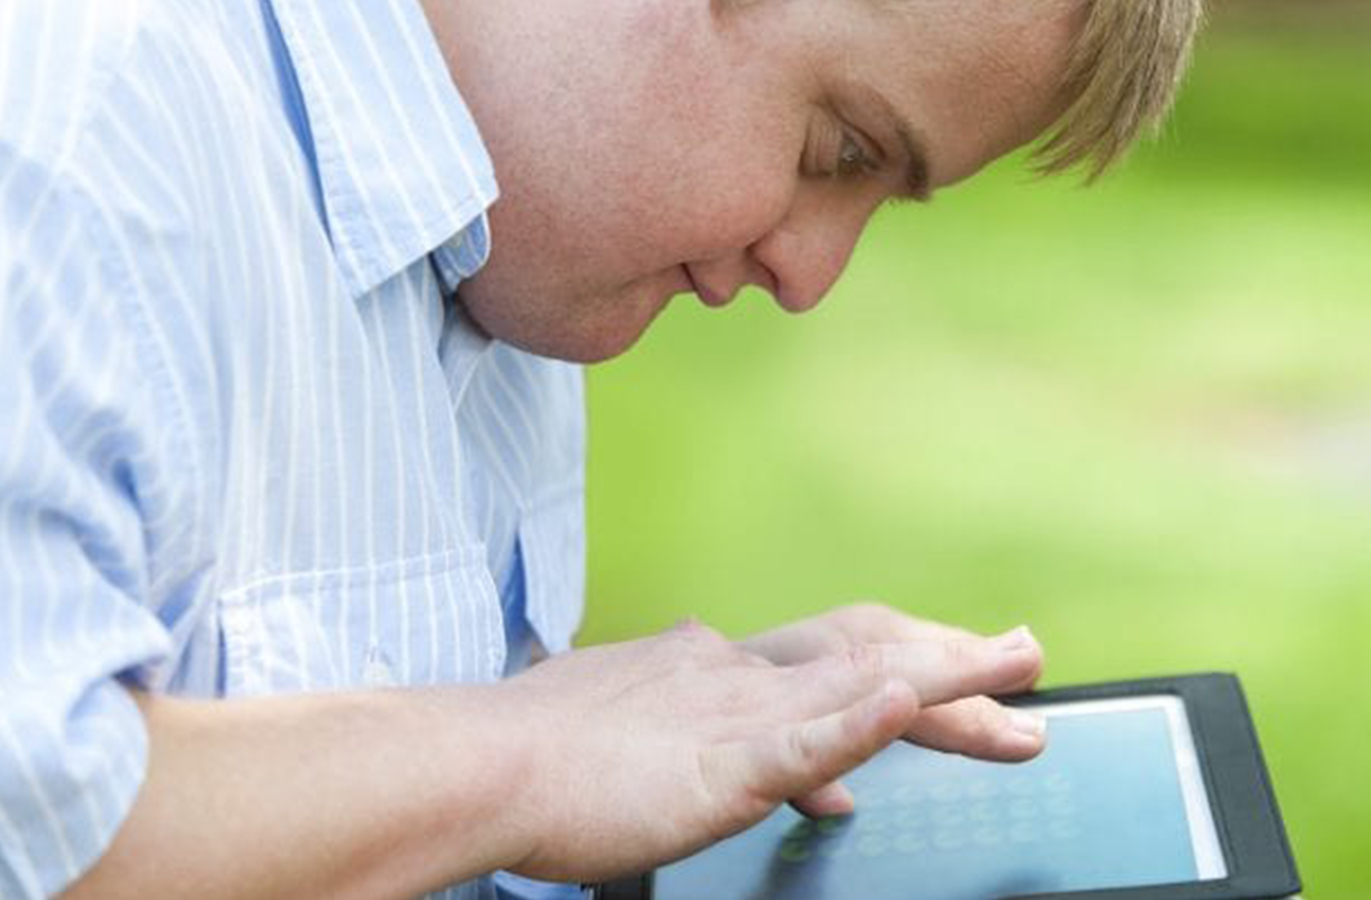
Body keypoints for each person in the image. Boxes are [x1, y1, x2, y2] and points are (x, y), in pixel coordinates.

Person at [0, 0, 1201, 896]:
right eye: (837, 151)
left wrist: (685, 731)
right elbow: (40, 824)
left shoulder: (517, 255)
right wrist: (527, 753)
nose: (812, 275)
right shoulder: (74, 137)